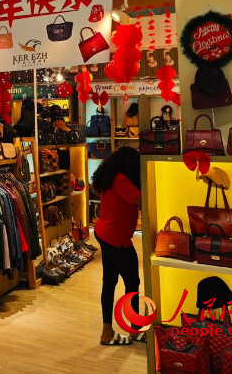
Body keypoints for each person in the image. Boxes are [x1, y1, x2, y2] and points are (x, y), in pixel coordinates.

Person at [92, 146, 142, 346]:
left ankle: (107, 332)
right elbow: (141, 200)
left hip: (105, 233)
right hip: (116, 238)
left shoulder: (109, 176)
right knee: (132, 283)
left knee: (110, 282)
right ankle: (134, 329)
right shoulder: (120, 180)